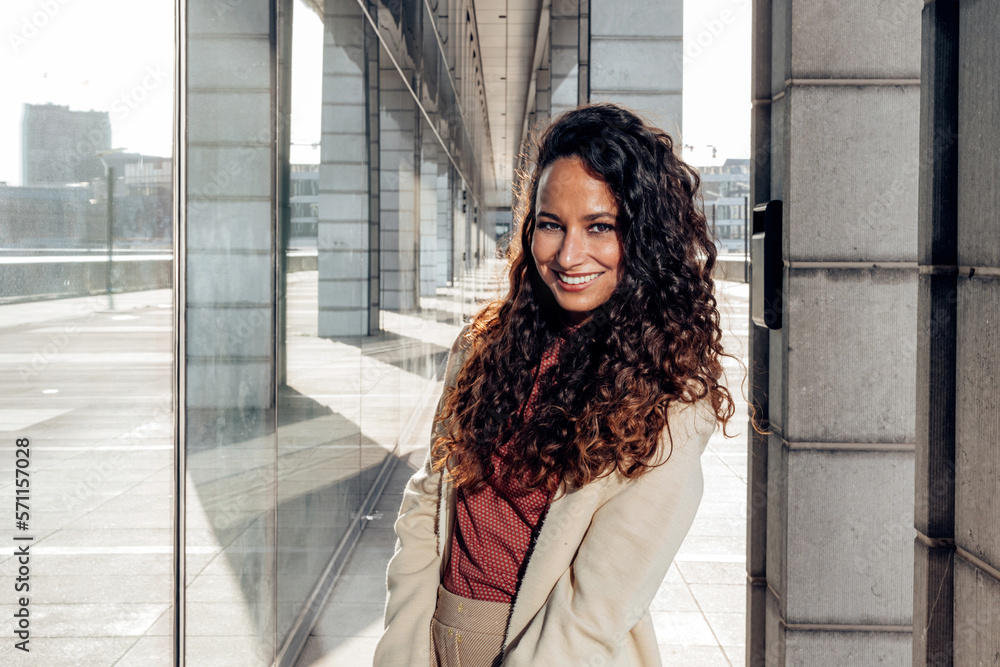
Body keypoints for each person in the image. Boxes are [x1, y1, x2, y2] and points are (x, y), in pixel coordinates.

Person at [373, 102, 736, 667]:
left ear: (642, 240)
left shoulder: (670, 401)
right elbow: (428, 500)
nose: (569, 255)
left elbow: (590, 614)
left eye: (600, 228)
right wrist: (403, 652)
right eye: (551, 225)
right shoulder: (487, 346)